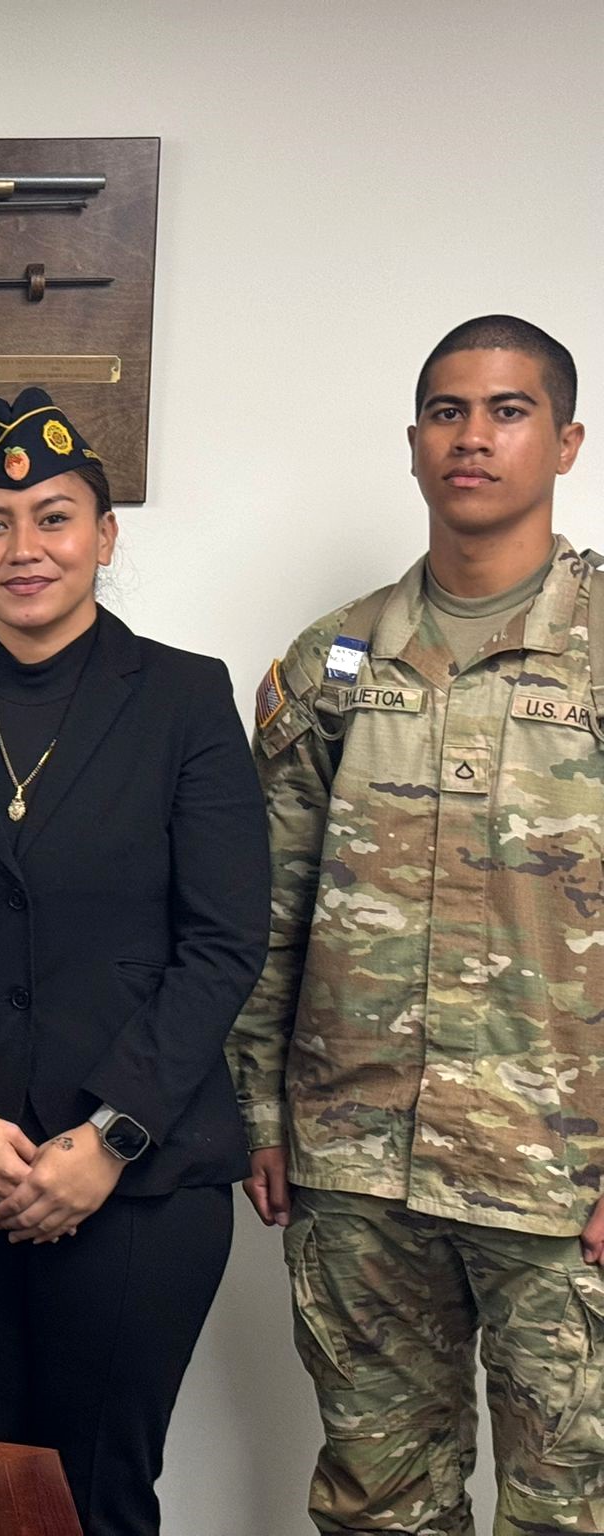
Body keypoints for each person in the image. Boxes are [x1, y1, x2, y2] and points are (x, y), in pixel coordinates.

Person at [0, 390, 270, 1535]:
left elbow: (223, 939)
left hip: (137, 1189)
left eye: (53, 517)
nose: (21, 547)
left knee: (97, 1498)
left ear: (104, 536)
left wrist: (108, 1137)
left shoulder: (183, 698)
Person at [228, 316, 601, 1535]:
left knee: (568, 1510)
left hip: (556, 1181)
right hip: (356, 1166)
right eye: (446, 412)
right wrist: (260, 1112)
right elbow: (266, 905)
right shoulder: (334, 662)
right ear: (411, 442)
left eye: (505, 411)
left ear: (564, 443)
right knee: (376, 1505)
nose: (470, 437)